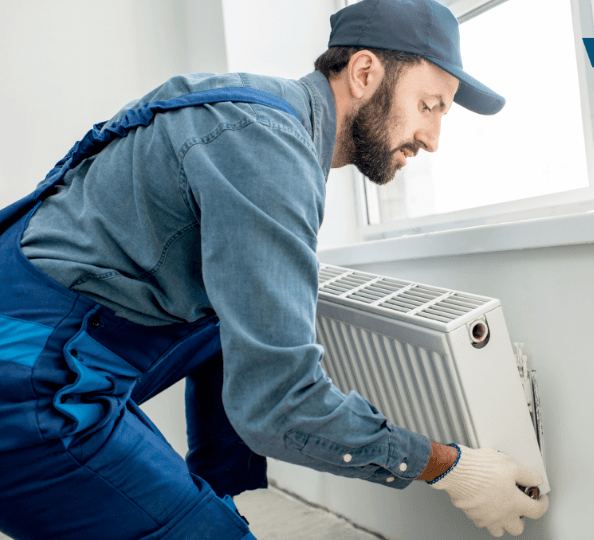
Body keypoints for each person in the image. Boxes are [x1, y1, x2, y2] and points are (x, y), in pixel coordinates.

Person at [0, 0, 548, 538]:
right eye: (429, 106)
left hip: (34, 325)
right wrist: (449, 466)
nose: (432, 139)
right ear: (364, 72)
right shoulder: (270, 153)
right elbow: (282, 405)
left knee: (238, 309)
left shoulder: (248, 106)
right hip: (24, 379)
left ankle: (215, 496)